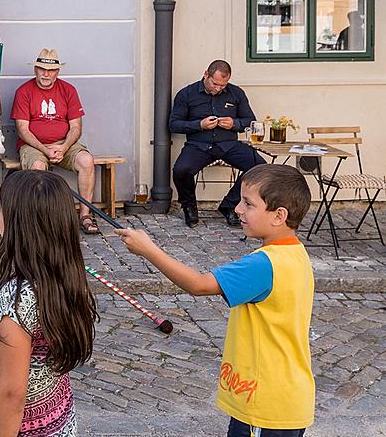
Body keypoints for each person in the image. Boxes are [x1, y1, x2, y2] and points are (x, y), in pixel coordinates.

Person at [116, 164, 315, 436]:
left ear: (279, 215)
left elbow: (198, 285)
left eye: (248, 204)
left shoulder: (263, 264)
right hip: (283, 399)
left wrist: (148, 249)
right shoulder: (295, 254)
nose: (238, 209)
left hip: (266, 406)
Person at [0, 170, 98, 436]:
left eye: (2, 210)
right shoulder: (61, 279)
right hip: (58, 424)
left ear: (18, 223)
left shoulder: (14, 305)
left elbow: (11, 395)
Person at [10, 48, 100, 234]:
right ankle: (40, 220)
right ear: (35, 69)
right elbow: (23, 130)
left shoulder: (68, 90)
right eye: (42, 69)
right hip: (33, 145)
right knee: (37, 168)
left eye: (51, 70)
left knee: (86, 160)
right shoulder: (24, 91)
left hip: (64, 143)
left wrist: (64, 147)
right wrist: (44, 149)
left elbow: (76, 127)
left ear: (57, 72)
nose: (46, 73)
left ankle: (85, 215)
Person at [170, 60, 264, 228]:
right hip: (199, 145)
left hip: (229, 145)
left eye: (223, 85)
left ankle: (230, 206)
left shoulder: (236, 93)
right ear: (206, 74)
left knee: (260, 167)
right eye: (215, 83)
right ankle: (189, 206)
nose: (218, 88)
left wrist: (234, 124)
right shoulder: (187, 94)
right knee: (180, 170)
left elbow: (250, 121)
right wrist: (199, 125)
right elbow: (174, 124)